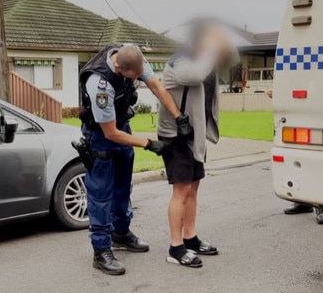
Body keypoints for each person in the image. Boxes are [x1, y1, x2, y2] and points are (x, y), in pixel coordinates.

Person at [78, 43, 189, 276]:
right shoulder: (100, 84)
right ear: (119, 68)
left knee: (122, 188)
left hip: (122, 127)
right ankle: (100, 250)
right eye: (133, 77)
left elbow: (156, 86)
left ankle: (120, 233)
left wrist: (179, 117)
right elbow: (110, 133)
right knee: (101, 194)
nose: (137, 79)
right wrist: (148, 144)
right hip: (101, 137)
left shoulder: (133, 57)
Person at [157, 22, 239, 267]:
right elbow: (195, 75)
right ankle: (175, 247)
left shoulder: (203, 58)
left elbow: (231, 59)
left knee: (193, 188)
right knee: (181, 191)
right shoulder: (179, 61)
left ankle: (190, 238)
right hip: (176, 136)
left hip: (195, 135)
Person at [265, 88, 323, 224]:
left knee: (315, 159)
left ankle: (321, 206)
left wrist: (281, 92)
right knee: (297, 158)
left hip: (316, 116)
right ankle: (303, 202)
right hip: (296, 115)